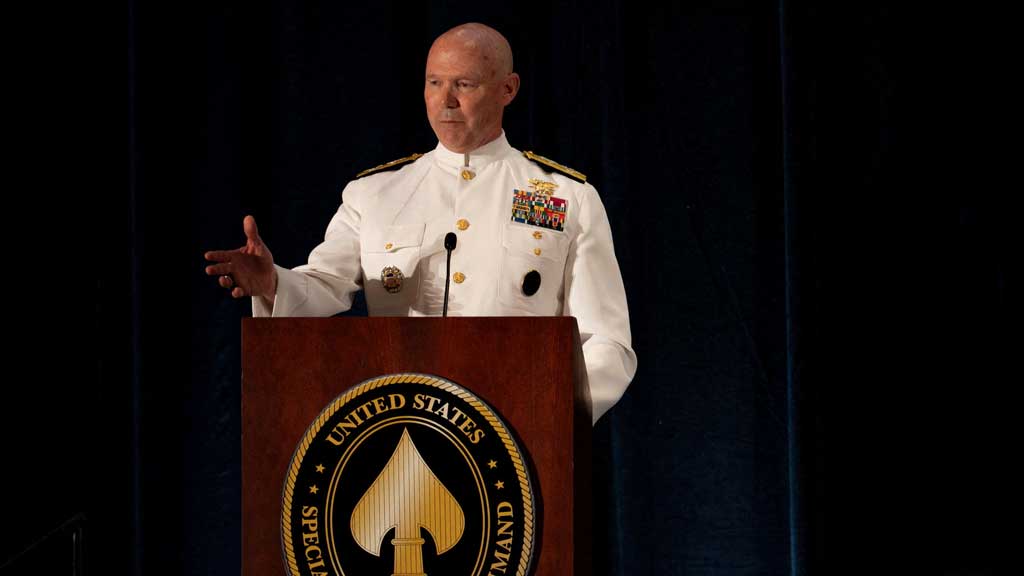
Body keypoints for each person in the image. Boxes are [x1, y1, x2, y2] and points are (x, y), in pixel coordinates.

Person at [204, 23, 636, 423]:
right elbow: (324, 285)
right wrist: (272, 283)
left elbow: (607, 343)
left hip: (518, 432)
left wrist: (549, 410)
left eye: (464, 84)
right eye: (434, 83)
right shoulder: (375, 194)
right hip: (401, 426)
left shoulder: (568, 197)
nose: (446, 100)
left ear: (508, 89)